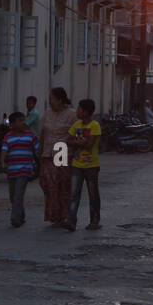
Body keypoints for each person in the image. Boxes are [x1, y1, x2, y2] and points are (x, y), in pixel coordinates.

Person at [64, 98, 102, 232]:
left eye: (79, 109)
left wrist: (78, 142)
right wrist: (80, 143)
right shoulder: (77, 124)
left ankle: (94, 221)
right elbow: (68, 140)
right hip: (77, 164)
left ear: (86, 112)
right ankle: (71, 220)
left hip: (91, 165)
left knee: (93, 194)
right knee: (74, 193)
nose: (77, 111)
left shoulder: (94, 126)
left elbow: (90, 144)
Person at [39, 87, 74, 227]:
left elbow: (76, 133)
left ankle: (63, 214)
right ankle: (53, 213)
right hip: (47, 152)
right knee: (46, 183)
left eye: (52, 99)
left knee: (61, 184)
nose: (50, 102)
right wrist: (40, 150)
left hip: (62, 151)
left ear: (60, 100)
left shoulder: (71, 115)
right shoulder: (47, 114)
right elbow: (43, 133)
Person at [0, 111, 41, 228]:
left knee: (18, 194)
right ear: (12, 124)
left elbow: (38, 150)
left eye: (24, 120)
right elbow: (4, 150)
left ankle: (15, 219)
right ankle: (21, 215)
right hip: (12, 171)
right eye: (20, 121)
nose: (23, 123)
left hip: (25, 170)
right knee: (13, 196)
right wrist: (3, 162)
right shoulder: (8, 137)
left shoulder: (30, 136)